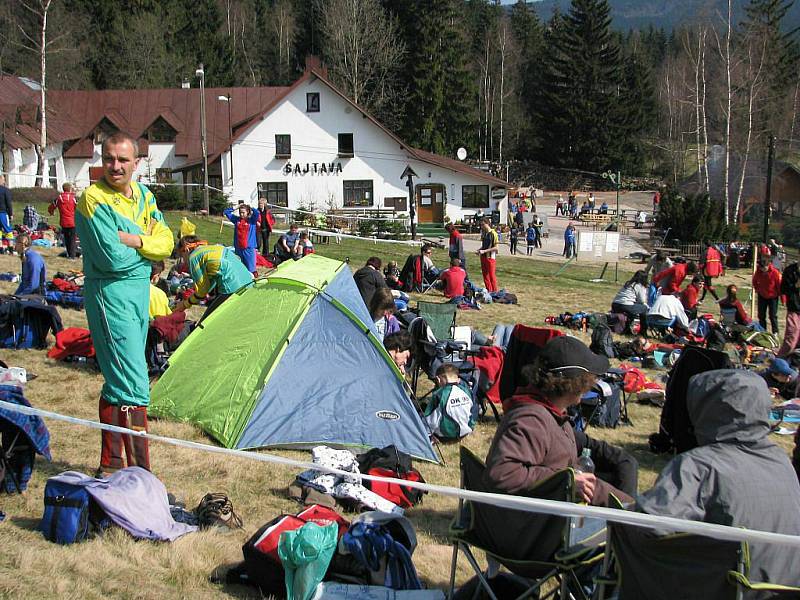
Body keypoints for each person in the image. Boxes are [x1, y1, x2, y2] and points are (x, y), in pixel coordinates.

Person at [637, 370, 800, 590]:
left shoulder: (698, 466)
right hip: (779, 589)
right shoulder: (781, 462)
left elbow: (644, 527)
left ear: (703, 409)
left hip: (722, 589)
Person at [75, 132, 174, 475]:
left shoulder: (145, 195)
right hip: (111, 295)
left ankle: (112, 466)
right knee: (132, 382)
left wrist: (134, 240)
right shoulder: (92, 199)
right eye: (108, 159)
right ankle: (139, 474)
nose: (114, 166)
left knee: (120, 382)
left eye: (122, 159)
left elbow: (167, 242)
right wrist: (148, 255)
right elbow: (110, 258)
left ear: (136, 163)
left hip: (138, 296)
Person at [484, 336, 636, 506]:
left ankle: (634, 516)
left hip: (552, 509)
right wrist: (566, 480)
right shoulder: (531, 420)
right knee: (629, 509)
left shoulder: (551, 413)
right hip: (539, 522)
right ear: (576, 383)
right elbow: (502, 473)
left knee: (625, 465)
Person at [172, 236, 253, 320]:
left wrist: (185, 304)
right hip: (248, 284)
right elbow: (211, 282)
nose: (183, 260)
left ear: (186, 250)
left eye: (182, 255)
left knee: (206, 322)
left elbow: (202, 292)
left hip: (231, 288)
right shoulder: (211, 249)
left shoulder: (194, 257)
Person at [423, 363, 475, 441]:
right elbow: (472, 412)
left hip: (446, 436)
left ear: (438, 379)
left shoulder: (439, 394)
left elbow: (430, 421)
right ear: (458, 379)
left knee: (422, 410)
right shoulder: (467, 391)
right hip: (465, 432)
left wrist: (427, 435)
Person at [224, 203, 260, 274]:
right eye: (240, 212)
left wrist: (250, 207)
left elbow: (257, 213)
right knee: (241, 268)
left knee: (251, 269)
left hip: (249, 248)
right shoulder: (236, 220)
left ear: (248, 212)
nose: (241, 214)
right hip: (238, 248)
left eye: (243, 212)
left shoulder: (252, 220)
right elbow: (226, 212)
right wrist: (236, 207)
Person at [611, 270, 649, 336]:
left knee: (632, 311)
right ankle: (643, 331)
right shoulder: (639, 285)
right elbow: (642, 300)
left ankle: (627, 329)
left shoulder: (628, 283)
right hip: (625, 305)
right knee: (644, 308)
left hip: (615, 304)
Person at [752, 257, 782, 334]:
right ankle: (763, 331)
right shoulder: (758, 271)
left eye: (764, 268)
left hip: (773, 297)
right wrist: (757, 289)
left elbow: (779, 285)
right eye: (761, 268)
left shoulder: (775, 272)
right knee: (761, 315)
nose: (762, 270)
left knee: (772, 316)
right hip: (762, 295)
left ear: (768, 265)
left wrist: (782, 297)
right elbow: (754, 281)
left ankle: (775, 332)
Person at [778, 254, 800, 357]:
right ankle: (780, 359)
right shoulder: (790, 270)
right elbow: (783, 289)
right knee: (792, 335)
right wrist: (795, 285)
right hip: (794, 308)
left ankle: (794, 361)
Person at [49, 182, 78, 259]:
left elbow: (51, 207)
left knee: (66, 238)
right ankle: (72, 256)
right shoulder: (73, 198)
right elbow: (78, 208)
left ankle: (69, 253)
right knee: (72, 238)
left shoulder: (59, 198)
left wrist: (51, 212)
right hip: (73, 221)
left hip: (63, 221)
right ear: (70, 189)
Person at [477, 218, 499, 292]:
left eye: (483, 225)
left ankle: (495, 291)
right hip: (483, 256)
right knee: (485, 275)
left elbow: (496, 248)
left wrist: (485, 251)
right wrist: (479, 250)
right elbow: (484, 245)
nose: (482, 227)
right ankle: (489, 290)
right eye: (481, 225)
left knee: (492, 275)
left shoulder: (494, 234)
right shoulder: (484, 233)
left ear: (487, 224)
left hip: (490, 257)